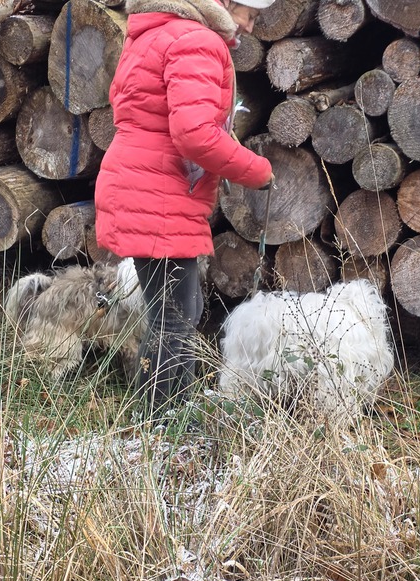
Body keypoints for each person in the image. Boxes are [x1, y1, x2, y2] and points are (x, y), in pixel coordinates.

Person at [94, 0, 275, 416]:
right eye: (249, 14)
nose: (250, 26)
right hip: (158, 190)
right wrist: (257, 170)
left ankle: (173, 414)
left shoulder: (160, 31)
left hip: (143, 183)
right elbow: (195, 135)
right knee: (173, 319)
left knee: (178, 313)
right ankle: (158, 424)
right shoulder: (196, 40)